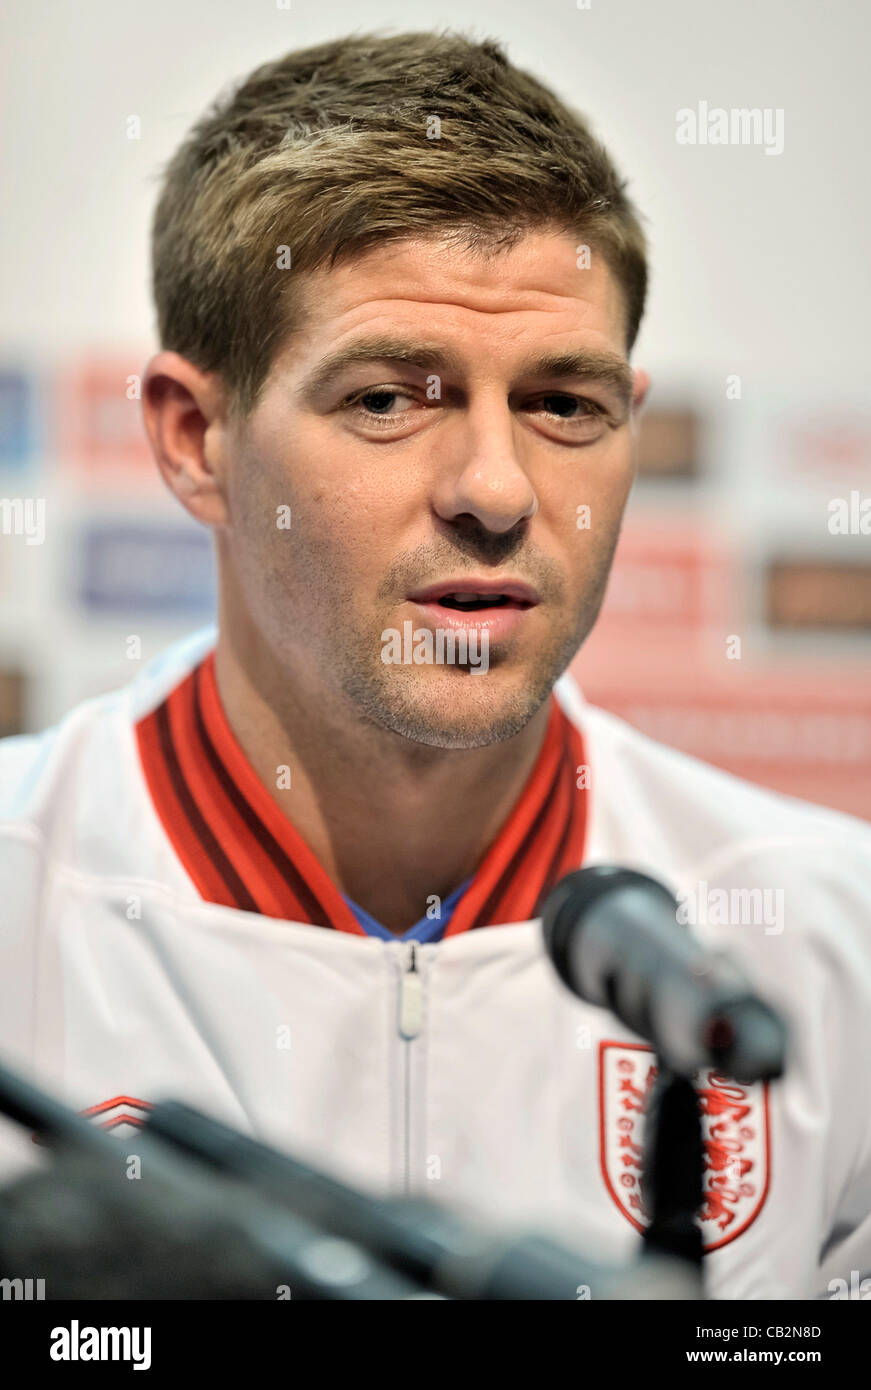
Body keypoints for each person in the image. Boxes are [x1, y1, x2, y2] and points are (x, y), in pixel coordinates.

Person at [1, 30, 869, 1299]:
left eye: (563, 404)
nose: (496, 490)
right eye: (390, 399)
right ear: (196, 439)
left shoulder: (830, 942)